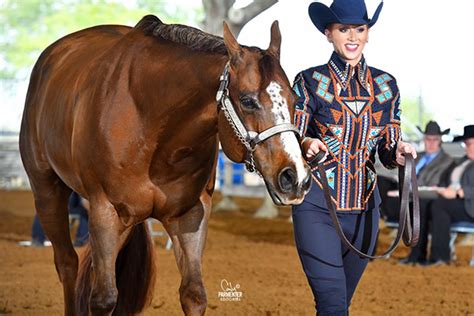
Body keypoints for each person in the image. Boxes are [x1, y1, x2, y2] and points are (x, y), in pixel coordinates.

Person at [291, 0, 417, 314]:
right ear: (328, 33)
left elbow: (387, 152)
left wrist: (400, 153)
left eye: (359, 29)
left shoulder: (387, 86)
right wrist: (306, 144)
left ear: (368, 33)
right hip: (317, 208)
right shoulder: (308, 82)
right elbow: (292, 142)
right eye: (343, 29)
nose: (352, 36)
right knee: (333, 304)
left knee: (340, 303)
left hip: (366, 212)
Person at [394, 121, 453, 264]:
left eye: (435, 140)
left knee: (420, 205)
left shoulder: (447, 160)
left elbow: (435, 182)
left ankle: (417, 255)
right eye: (428, 139)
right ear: (424, 140)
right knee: (381, 184)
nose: (431, 143)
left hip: (426, 196)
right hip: (408, 192)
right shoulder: (417, 156)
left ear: (440, 141)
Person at [425, 125, 474, 265]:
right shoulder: (462, 161)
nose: (467, 147)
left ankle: (440, 256)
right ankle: (430, 253)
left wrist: (460, 192)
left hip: (468, 203)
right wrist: (440, 188)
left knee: (440, 206)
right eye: (466, 144)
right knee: (431, 204)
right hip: (455, 200)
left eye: (470, 144)